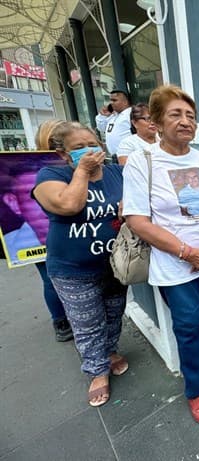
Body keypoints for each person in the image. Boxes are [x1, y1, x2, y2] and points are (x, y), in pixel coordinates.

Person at [122, 84, 199, 426]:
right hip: (175, 265)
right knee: (189, 325)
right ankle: (196, 388)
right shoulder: (144, 162)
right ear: (156, 122)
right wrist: (188, 252)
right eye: (175, 114)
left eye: (190, 115)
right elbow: (138, 221)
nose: (185, 120)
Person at [32, 121, 127, 407]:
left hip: (115, 264)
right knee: (86, 323)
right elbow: (69, 205)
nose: (88, 151)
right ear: (63, 154)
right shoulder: (49, 175)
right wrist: (83, 171)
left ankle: (109, 353)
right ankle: (97, 372)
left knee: (113, 314)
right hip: (73, 270)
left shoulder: (116, 173)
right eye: (78, 148)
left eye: (92, 144)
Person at [1, 120, 73, 341]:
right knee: (50, 280)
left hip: (74, 232)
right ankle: (60, 319)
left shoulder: (72, 163)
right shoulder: (33, 169)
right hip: (43, 242)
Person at [95, 89, 132, 155]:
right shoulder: (113, 116)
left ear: (125, 102)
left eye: (114, 100)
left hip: (129, 154)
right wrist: (102, 115)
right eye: (111, 100)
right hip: (115, 155)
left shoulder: (131, 114)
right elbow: (101, 128)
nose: (111, 103)